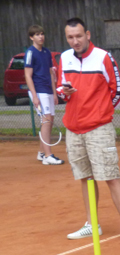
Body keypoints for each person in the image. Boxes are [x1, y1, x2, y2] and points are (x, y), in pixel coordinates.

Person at [57, 17, 120, 242]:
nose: (75, 41)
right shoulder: (64, 58)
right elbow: (60, 89)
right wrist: (64, 93)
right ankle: (92, 224)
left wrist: (102, 111)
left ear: (88, 35)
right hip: (74, 129)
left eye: (79, 36)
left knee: (110, 176)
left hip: (99, 127)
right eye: (70, 37)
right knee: (86, 177)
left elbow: (118, 89)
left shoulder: (103, 57)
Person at [24, 24, 64, 165]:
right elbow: (28, 76)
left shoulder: (47, 52)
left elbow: (51, 73)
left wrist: (54, 93)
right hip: (39, 91)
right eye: (37, 34)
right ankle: (48, 155)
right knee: (46, 121)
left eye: (42, 34)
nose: (41, 37)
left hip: (48, 91)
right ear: (31, 37)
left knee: (49, 121)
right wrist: (34, 96)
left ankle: (41, 153)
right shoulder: (30, 53)